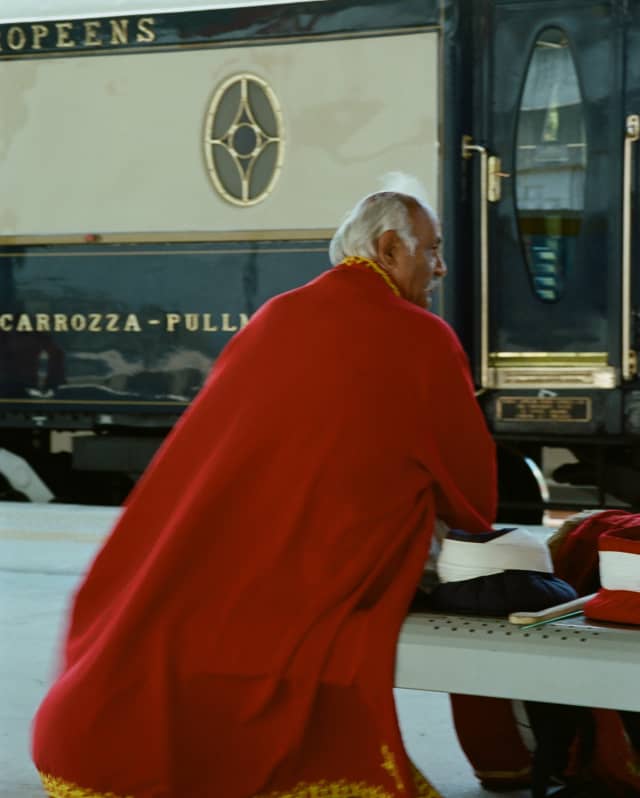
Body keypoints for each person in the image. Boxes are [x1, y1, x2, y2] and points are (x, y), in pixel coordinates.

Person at [31, 179, 497, 798]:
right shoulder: (421, 336)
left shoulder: (278, 314)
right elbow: (471, 493)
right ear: (389, 248)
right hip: (326, 564)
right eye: (431, 250)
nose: (438, 267)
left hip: (226, 557)